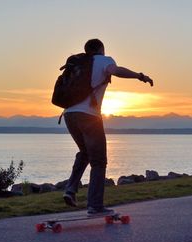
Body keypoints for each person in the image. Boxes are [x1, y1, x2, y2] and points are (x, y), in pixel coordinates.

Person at [62, 39, 153, 215]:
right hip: (89, 116)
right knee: (99, 161)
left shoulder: (77, 64)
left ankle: (70, 189)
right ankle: (95, 206)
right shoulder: (104, 60)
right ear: (100, 49)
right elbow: (116, 71)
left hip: (69, 115)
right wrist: (139, 76)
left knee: (85, 153)